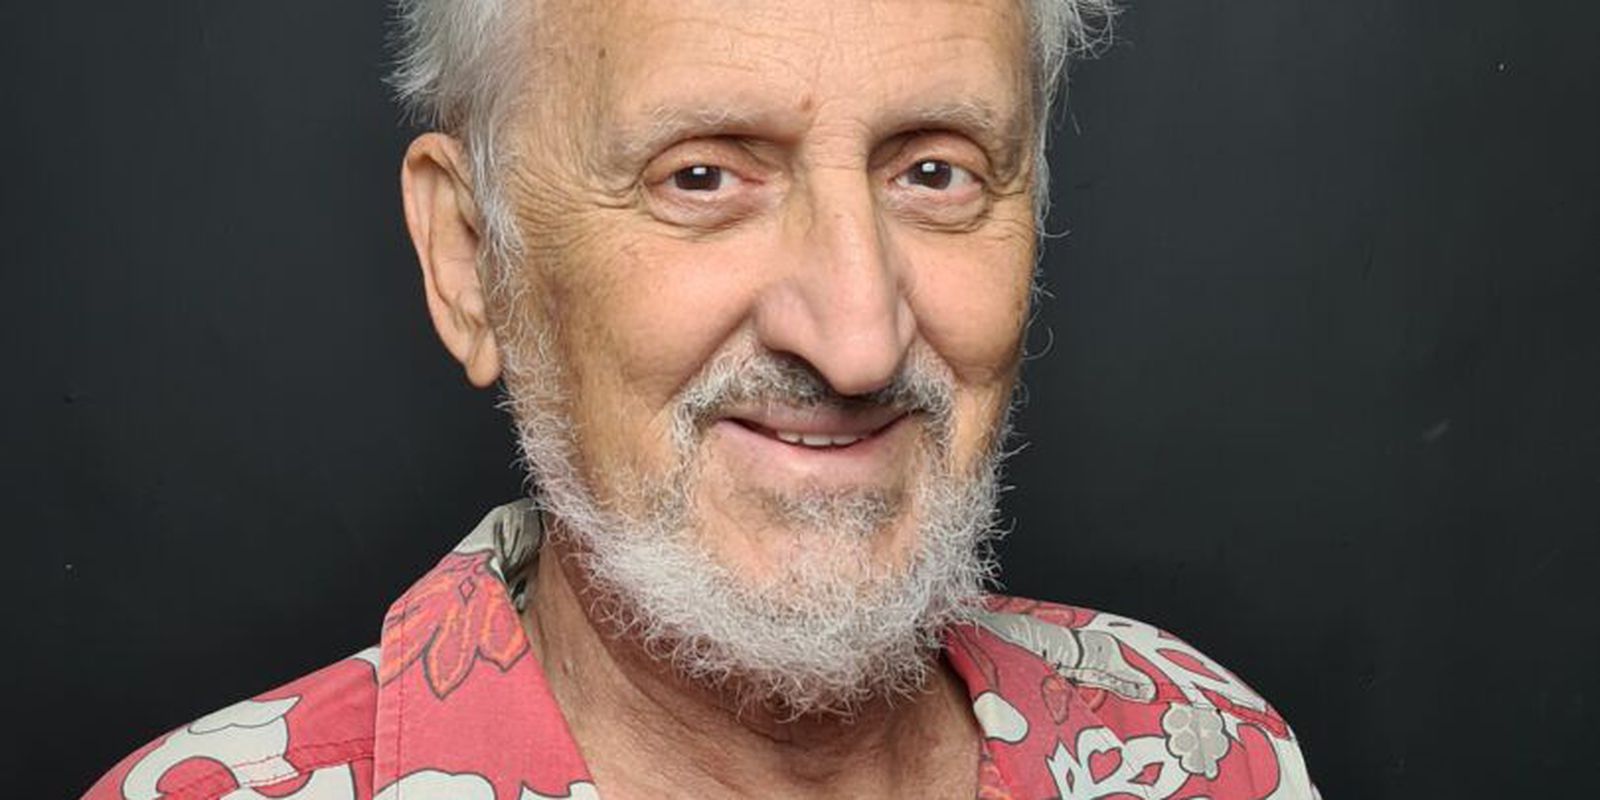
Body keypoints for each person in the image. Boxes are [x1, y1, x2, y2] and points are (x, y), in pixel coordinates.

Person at [86, 0, 1319, 797]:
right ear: (471, 260)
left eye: (935, 171)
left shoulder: (1203, 748)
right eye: (702, 176)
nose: (856, 338)